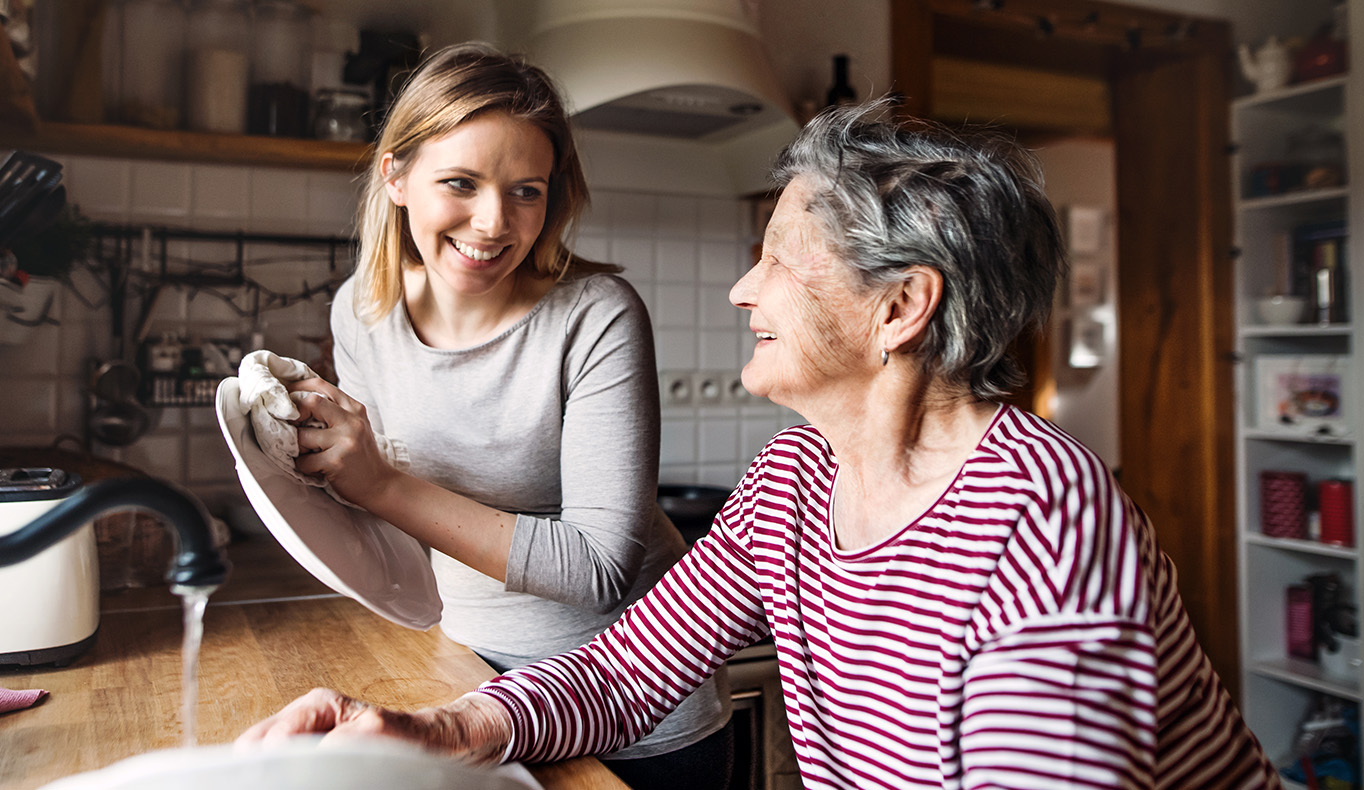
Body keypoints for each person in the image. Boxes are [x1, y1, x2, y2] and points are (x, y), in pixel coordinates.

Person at [241, 100, 1282, 790]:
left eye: (776, 259)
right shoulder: (796, 475)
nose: (742, 289)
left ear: (898, 308)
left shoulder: (1040, 523)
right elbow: (623, 671)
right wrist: (438, 730)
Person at [267, 42, 732, 789]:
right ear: (396, 177)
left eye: (527, 191)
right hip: (470, 680)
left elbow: (599, 569)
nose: (493, 222)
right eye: (461, 182)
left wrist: (377, 483)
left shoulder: (596, 317)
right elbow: (394, 528)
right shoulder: (362, 311)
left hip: (634, 719)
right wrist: (309, 466)